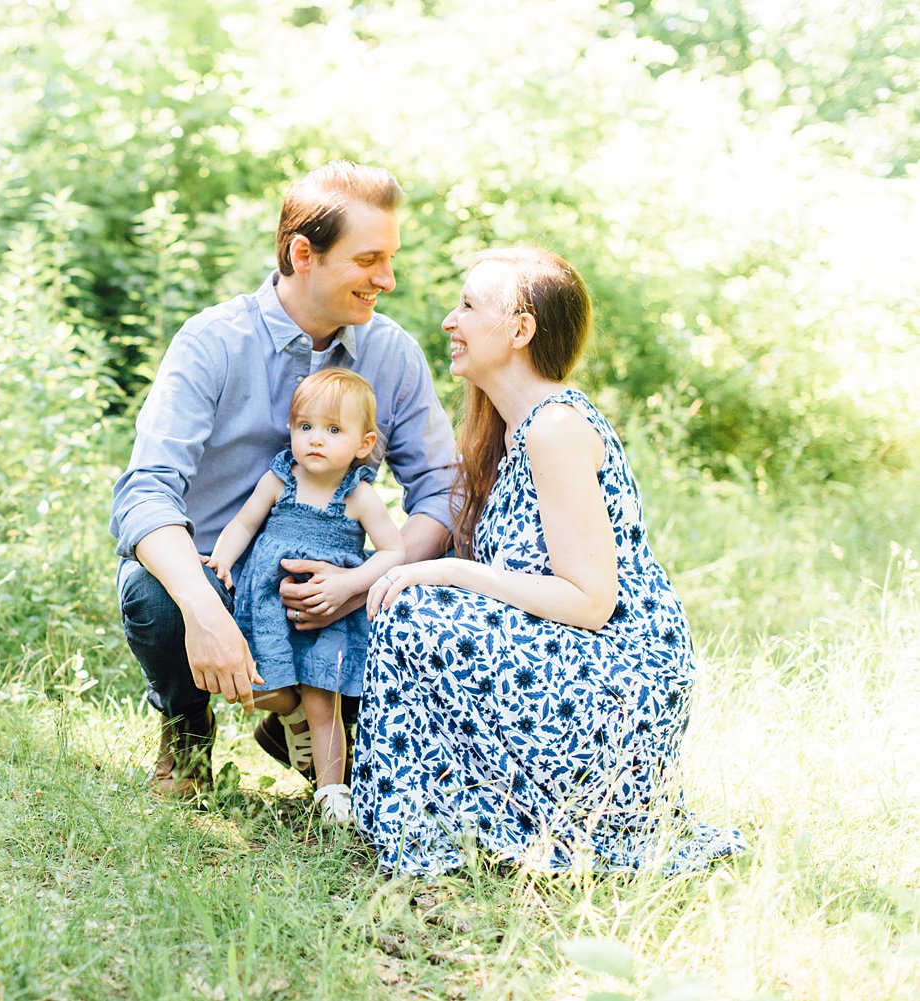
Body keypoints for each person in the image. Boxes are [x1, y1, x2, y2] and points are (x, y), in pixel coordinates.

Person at [355, 247, 746, 874]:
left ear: (519, 329)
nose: (449, 322)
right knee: (398, 602)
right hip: (565, 658)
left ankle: (439, 823)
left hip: (617, 681)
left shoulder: (554, 428)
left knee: (417, 607)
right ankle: (430, 806)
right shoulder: (508, 430)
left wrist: (447, 571)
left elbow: (591, 601)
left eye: (467, 306)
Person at [110, 161, 457, 798]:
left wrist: (366, 580)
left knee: (436, 592)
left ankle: (311, 724)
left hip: (334, 596)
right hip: (223, 576)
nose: (388, 278)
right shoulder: (212, 342)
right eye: (369, 259)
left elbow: (443, 487)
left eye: (391, 257)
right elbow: (145, 492)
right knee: (151, 593)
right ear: (304, 253)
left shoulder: (392, 354)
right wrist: (203, 610)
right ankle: (187, 728)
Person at [204, 369, 406, 824]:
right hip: (270, 607)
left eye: (334, 430)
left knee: (324, 701)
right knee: (258, 688)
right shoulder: (280, 479)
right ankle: (288, 715)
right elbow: (243, 523)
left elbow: (395, 550)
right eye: (305, 427)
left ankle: (333, 793)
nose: (316, 439)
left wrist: (352, 584)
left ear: (363, 443)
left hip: (329, 613)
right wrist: (221, 560)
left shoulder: (359, 496)